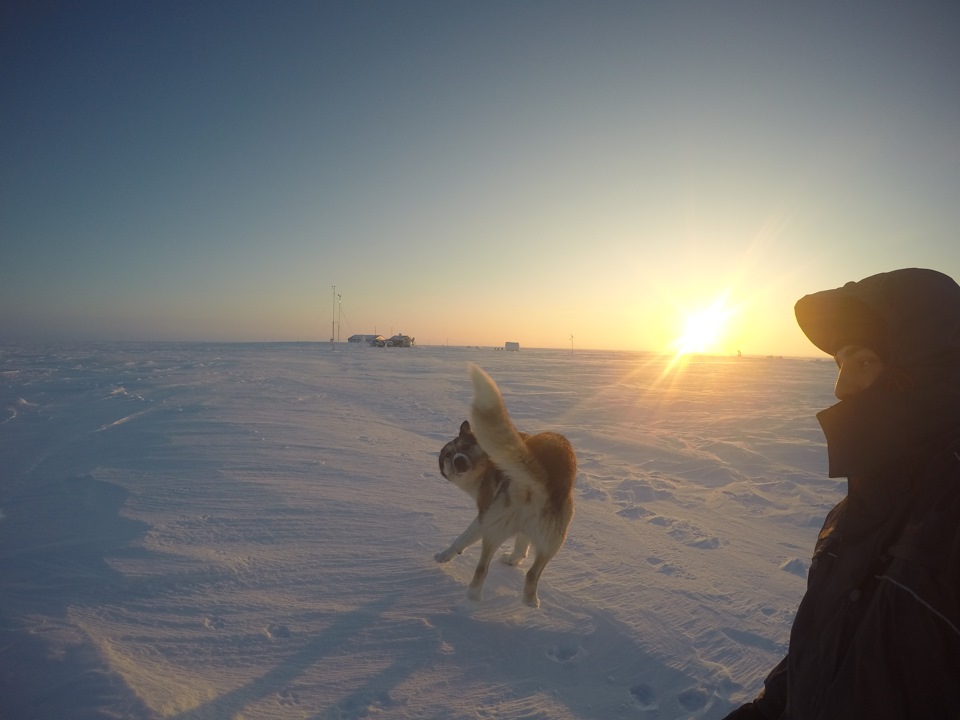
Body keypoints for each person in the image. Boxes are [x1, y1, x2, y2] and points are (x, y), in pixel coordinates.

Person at [723, 268, 960, 719]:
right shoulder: (856, 510)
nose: (840, 387)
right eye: (839, 363)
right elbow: (825, 649)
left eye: (865, 361)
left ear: (929, 372)